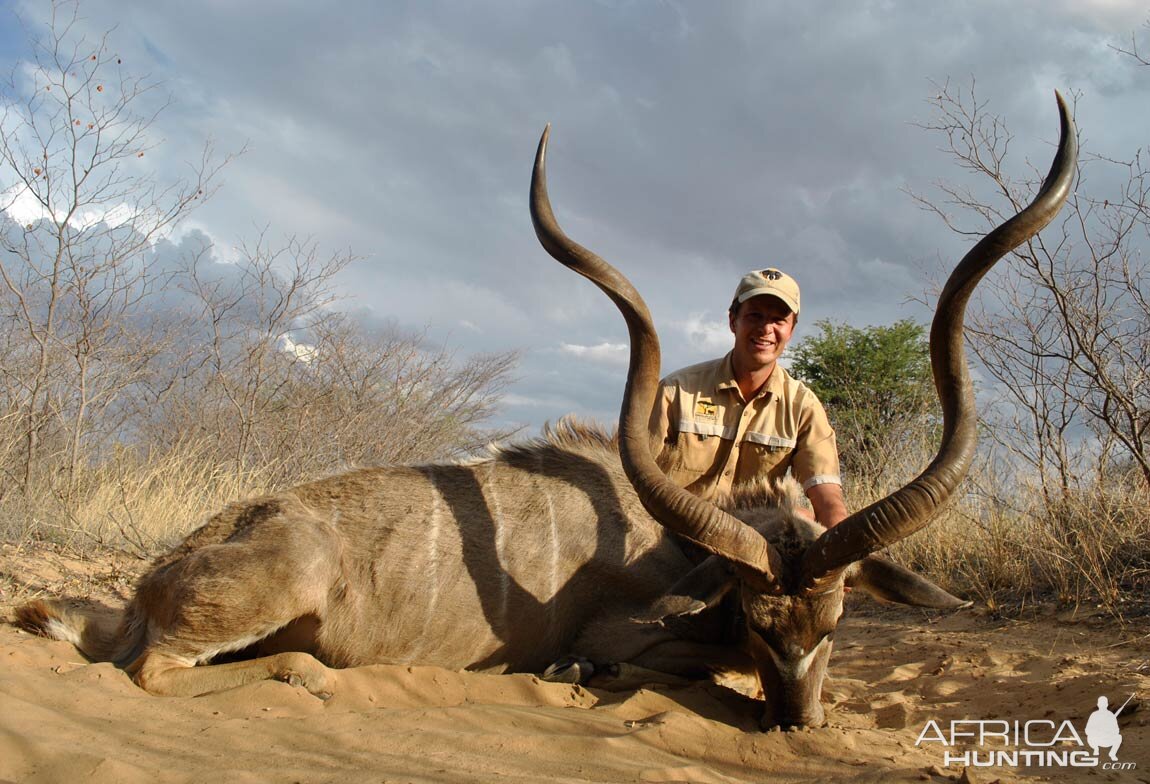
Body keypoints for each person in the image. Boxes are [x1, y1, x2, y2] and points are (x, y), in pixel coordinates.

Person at [650, 268, 849, 528]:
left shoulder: (803, 406)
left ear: (791, 330)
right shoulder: (676, 391)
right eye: (755, 316)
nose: (766, 329)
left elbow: (828, 498)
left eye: (778, 320)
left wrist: (842, 545)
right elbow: (632, 475)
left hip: (751, 546)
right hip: (672, 534)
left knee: (803, 520)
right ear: (733, 321)